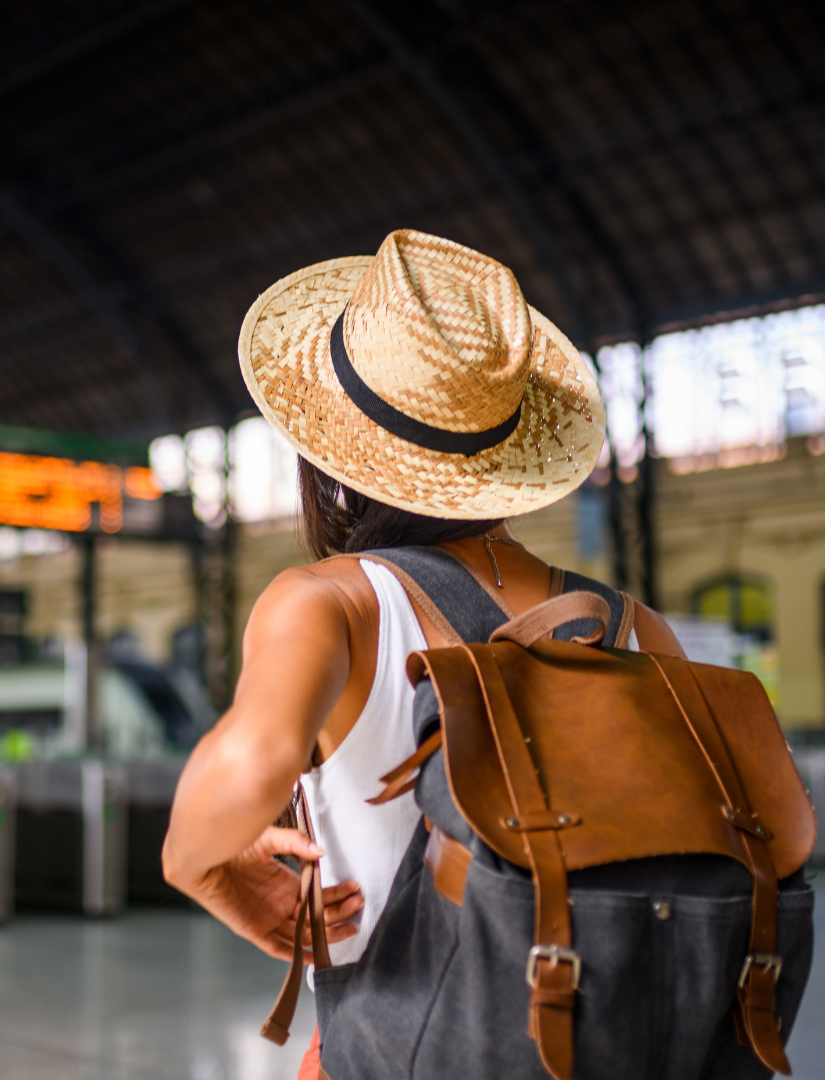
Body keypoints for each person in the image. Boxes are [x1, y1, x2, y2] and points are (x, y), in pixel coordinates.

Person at [163, 230, 611, 1076]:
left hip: (407, 1049)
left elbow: (252, 765)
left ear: (329, 444)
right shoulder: (628, 626)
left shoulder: (331, 601)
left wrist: (198, 866)